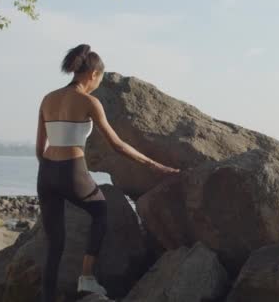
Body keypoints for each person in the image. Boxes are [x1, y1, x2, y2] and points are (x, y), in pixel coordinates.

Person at [35, 44, 180, 301]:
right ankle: (87, 278)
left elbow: (39, 148)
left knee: (55, 244)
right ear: (92, 74)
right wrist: (155, 166)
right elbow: (117, 145)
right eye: (99, 78)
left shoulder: (48, 98)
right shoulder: (90, 101)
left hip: (46, 172)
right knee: (100, 211)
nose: (98, 84)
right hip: (72, 169)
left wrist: (51, 173)